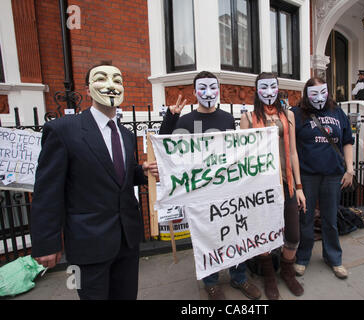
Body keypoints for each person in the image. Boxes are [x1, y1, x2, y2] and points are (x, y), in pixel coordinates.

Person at [30, 62, 151, 300]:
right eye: (101, 79)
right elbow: (48, 191)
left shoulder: (126, 135)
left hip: (127, 241)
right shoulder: (62, 130)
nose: (110, 85)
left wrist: (141, 171)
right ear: (87, 90)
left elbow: (118, 178)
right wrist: (46, 243)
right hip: (88, 245)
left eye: (117, 80)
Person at [149, 70, 261, 301]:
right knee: (205, 236)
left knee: (235, 232)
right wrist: (170, 118)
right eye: (203, 88)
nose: (208, 93)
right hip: (200, 192)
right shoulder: (185, 121)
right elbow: (164, 146)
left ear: (219, 90)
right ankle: (210, 282)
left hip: (227, 190)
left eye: (213, 87)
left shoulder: (227, 118)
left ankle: (239, 276)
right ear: (194, 91)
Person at [239, 72, 307, 300]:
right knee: (264, 234)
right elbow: (244, 156)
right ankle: (269, 276)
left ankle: (287, 272)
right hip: (261, 186)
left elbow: (293, 152)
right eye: (263, 87)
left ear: (278, 89)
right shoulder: (247, 118)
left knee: (294, 235)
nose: (269, 92)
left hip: (286, 183)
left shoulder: (288, 115)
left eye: (273, 87)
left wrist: (299, 186)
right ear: (256, 90)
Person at [292, 77, 354, 280]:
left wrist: (350, 169)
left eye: (323, 92)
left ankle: (334, 258)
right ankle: (302, 257)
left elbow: (347, 141)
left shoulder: (337, 112)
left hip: (332, 174)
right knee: (305, 219)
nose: (319, 98)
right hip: (307, 175)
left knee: (330, 218)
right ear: (306, 95)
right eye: (314, 93)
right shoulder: (297, 114)